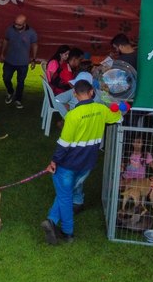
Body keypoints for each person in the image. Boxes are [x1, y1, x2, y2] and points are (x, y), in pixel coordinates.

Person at [41, 79, 122, 245]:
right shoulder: (101, 109)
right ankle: (51, 220)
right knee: (66, 192)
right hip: (88, 163)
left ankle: (67, 232)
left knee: (65, 196)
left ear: (75, 95)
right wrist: (112, 102)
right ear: (92, 92)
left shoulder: (73, 115)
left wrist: (54, 161)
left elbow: (64, 143)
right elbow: (118, 117)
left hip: (68, 163)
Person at [1, 14, 38, 109]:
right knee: (6, 78)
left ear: (24, 24)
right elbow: (5, 40)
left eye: (19, 25)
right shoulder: (10, 29)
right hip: (9, 60)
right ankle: (10, 91)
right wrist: (2, 53)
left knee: (20, 82)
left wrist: (34, 59)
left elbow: (34, 45)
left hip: (23, 63)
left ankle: (18, 99)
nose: (16, 26)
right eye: (15, 24)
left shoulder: (31, 33)